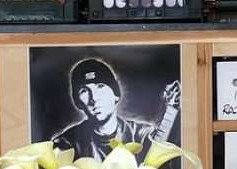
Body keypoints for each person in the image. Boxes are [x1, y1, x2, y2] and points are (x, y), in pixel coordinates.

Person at [52, 58, 180, 163]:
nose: (94, 98)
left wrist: (171, 109)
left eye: (100, 86)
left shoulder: (141, 135)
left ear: (115, 95)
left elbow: (159, 165)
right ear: (78, 102)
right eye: (84, 91)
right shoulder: (66, 144)